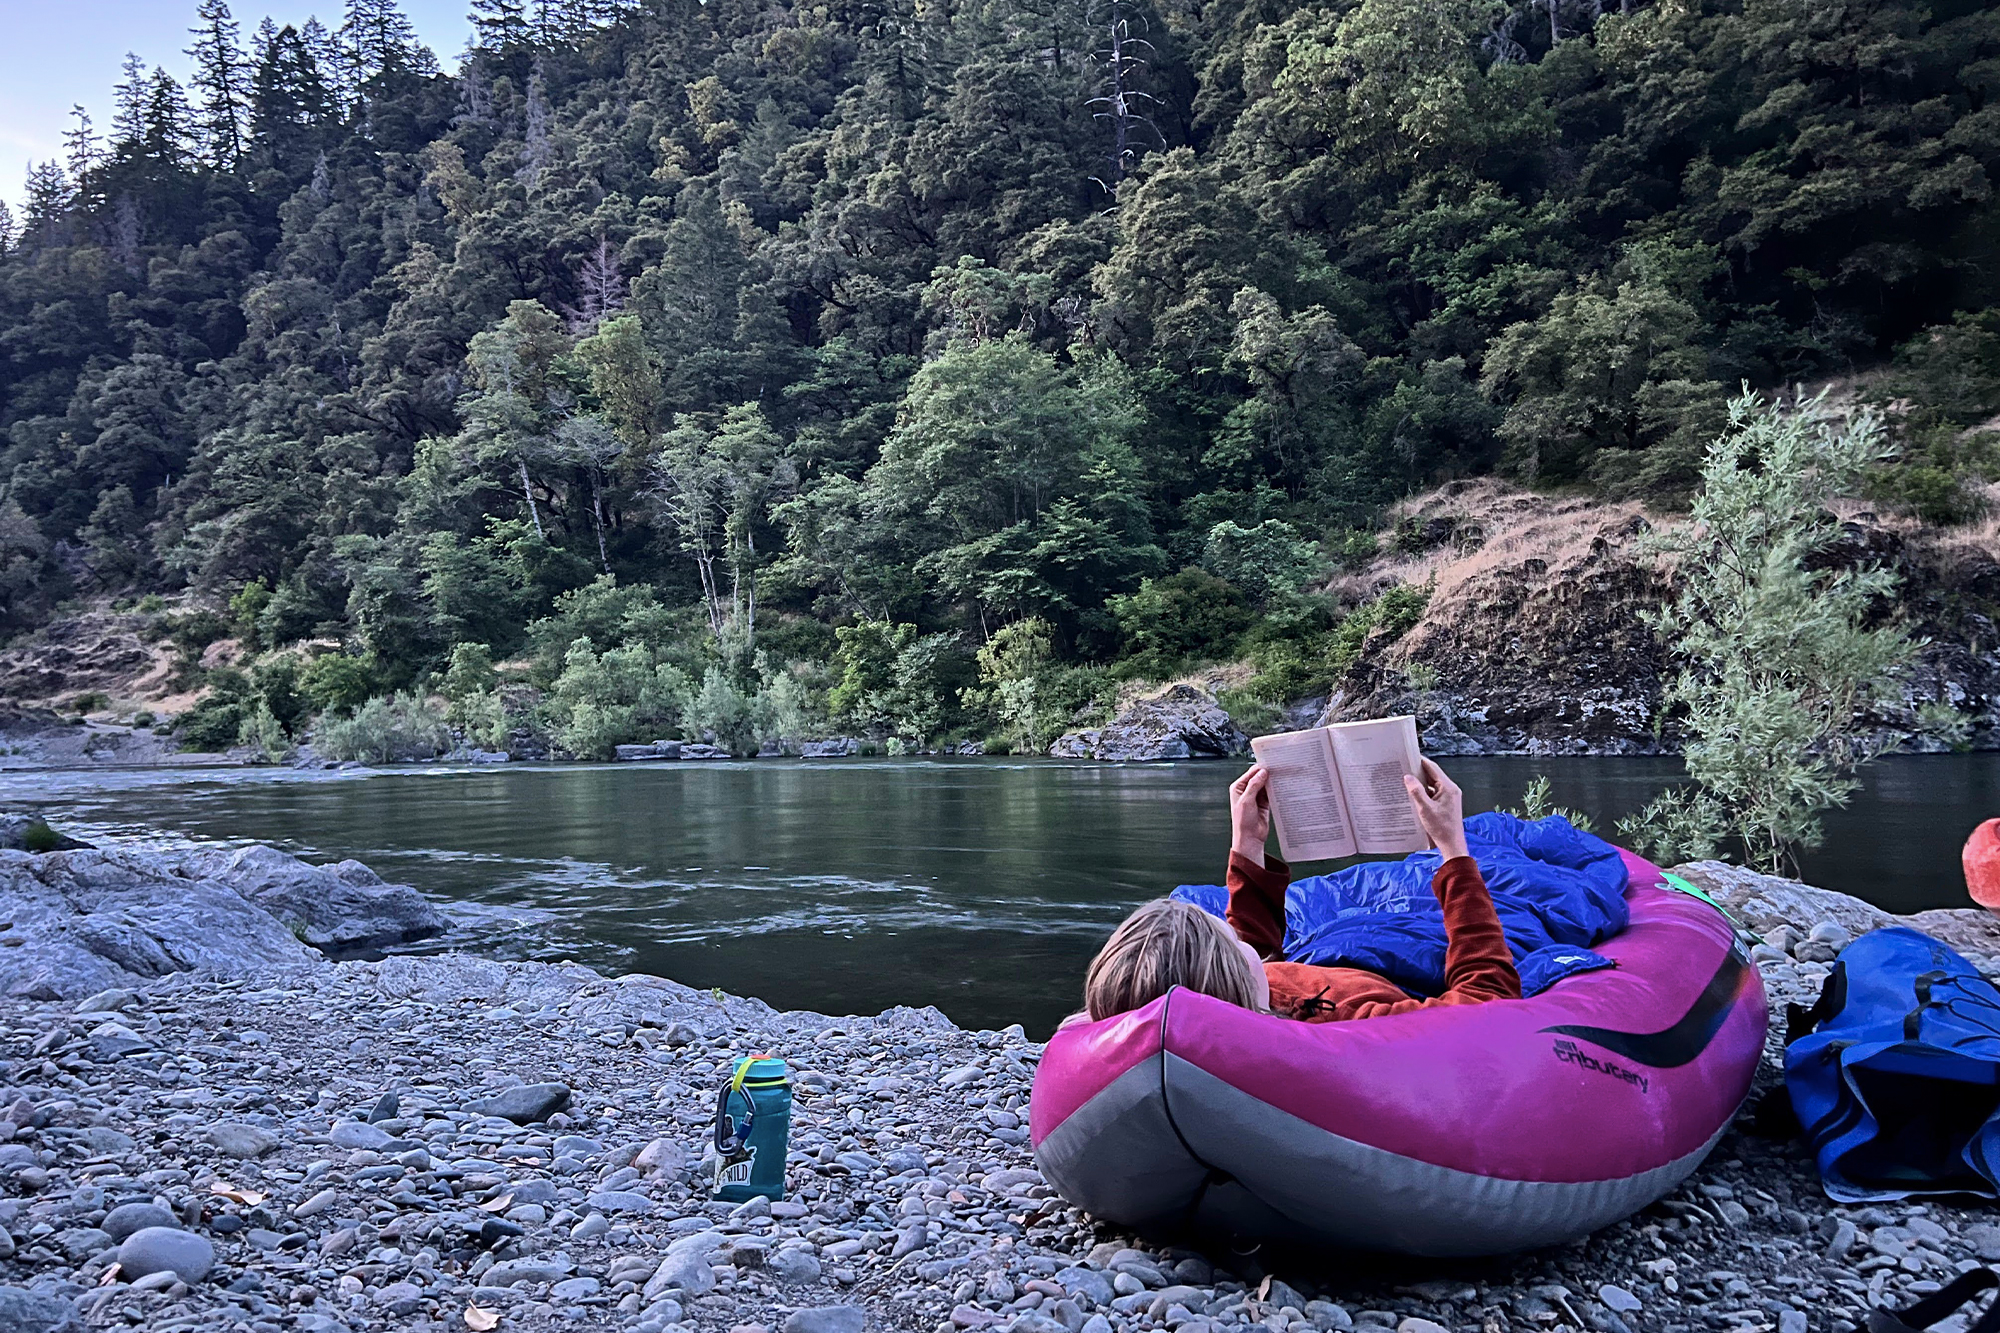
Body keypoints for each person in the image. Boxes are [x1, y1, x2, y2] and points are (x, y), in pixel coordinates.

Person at [1082, 758, 1521, 1022]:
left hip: (1323, 959)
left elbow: (1248, 955)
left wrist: (1248, 843)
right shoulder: (1346, 1020)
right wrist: (1452, 848)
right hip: (1395, 967)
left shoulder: (1236, 997)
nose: (1239, 937)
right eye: (1234, 944)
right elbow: (1487, 1001)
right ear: (1234, 978)